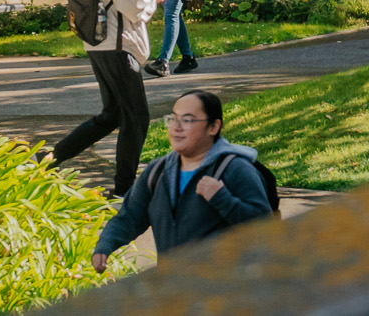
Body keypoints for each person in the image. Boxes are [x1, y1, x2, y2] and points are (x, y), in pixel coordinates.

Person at [48, 0, 159, 196]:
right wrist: (151, 1)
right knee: (136, 117)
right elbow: (126, 5)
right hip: (119, 44)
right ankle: (124, 189)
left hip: (95, 43)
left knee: (112, 115)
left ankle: (47, 159)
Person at [91, 89, 272, 272]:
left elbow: (265, 227)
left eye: (187, 120)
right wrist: (104, 246)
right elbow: (130, 217)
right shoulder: (157, 172)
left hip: (224, 292)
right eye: (173, 119)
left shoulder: (235, 169)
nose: (177, 127)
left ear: (213, 127)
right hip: (174, 289)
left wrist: (222, 199)